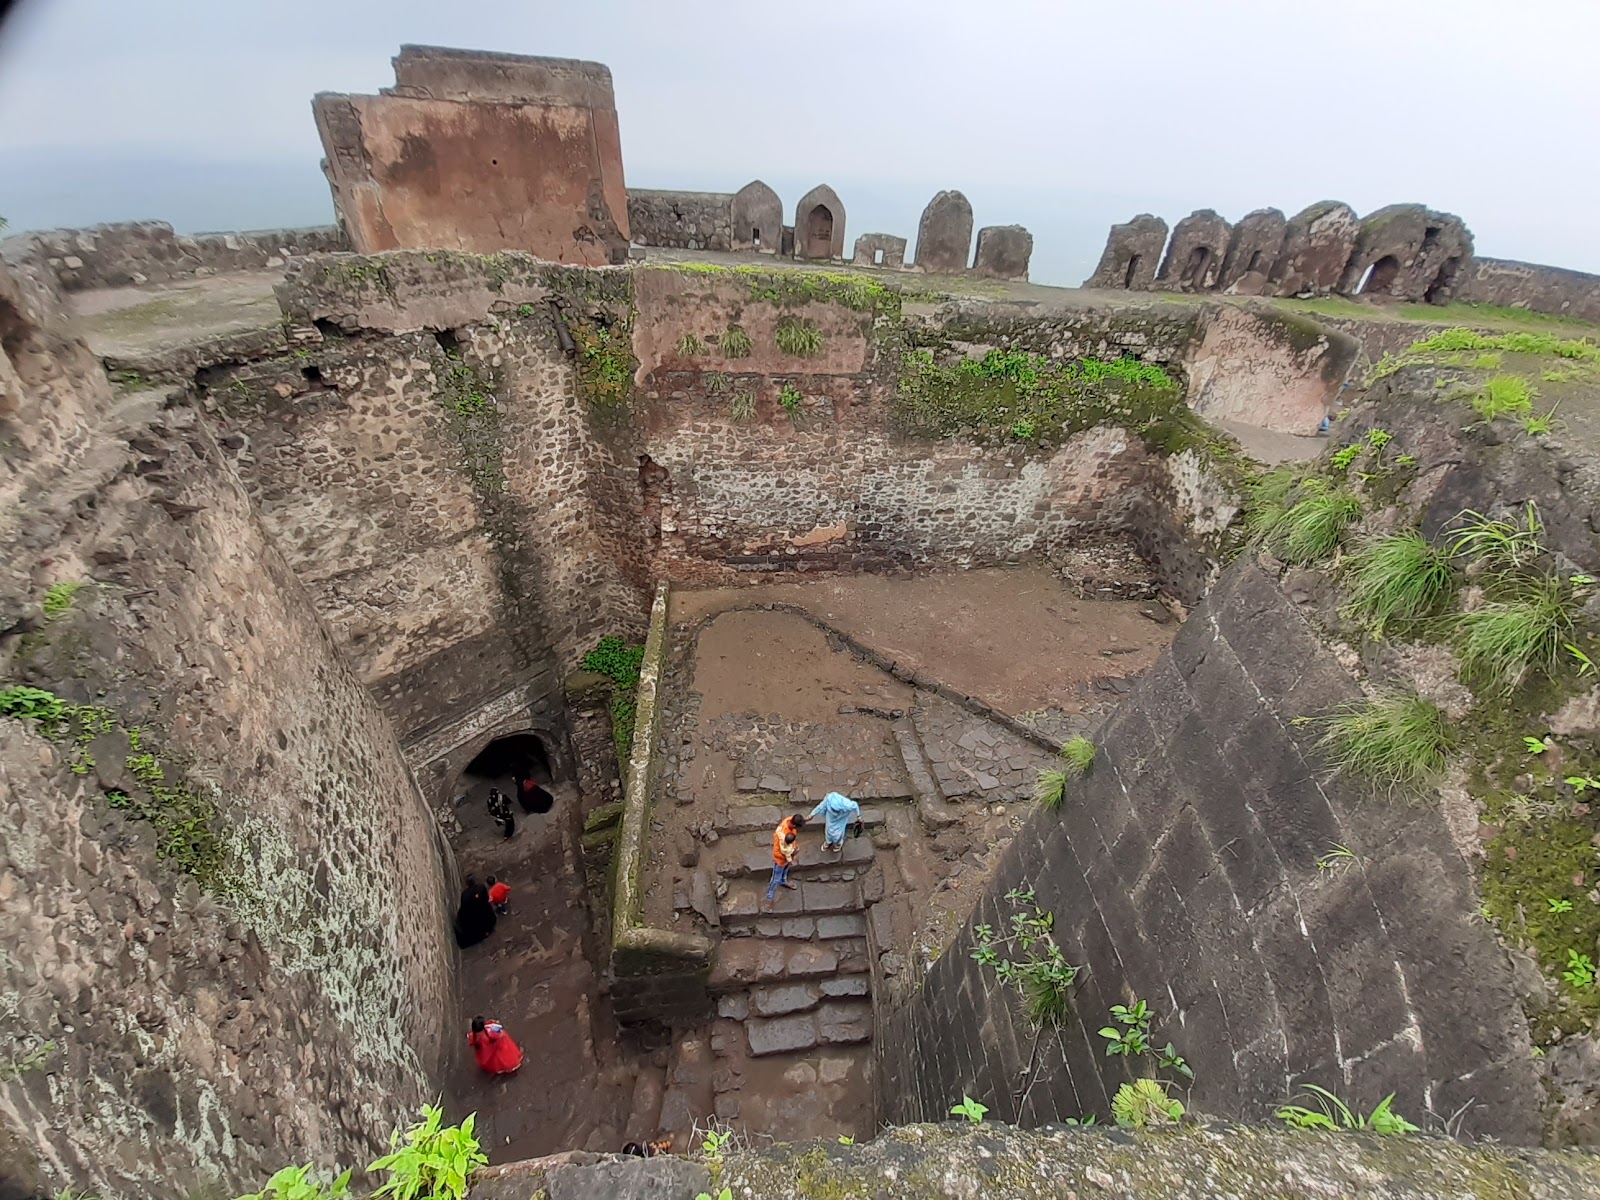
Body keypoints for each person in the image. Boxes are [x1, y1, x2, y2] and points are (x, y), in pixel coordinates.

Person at [764, 813, 806, 908]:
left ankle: (784, 881)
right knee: (775, 879)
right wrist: (793, 853)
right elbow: (777, 852)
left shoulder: (790, 820)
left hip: (788, 858)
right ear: (794, 825)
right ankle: (769, 899)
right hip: (780, 860)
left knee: (785, 871)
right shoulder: (781, 836)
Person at [454, 876, 497, 947]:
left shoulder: (465, 894)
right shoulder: (481, 887)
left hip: (472, 913)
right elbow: (486, 898)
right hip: (482, 909)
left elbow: (464, 906)